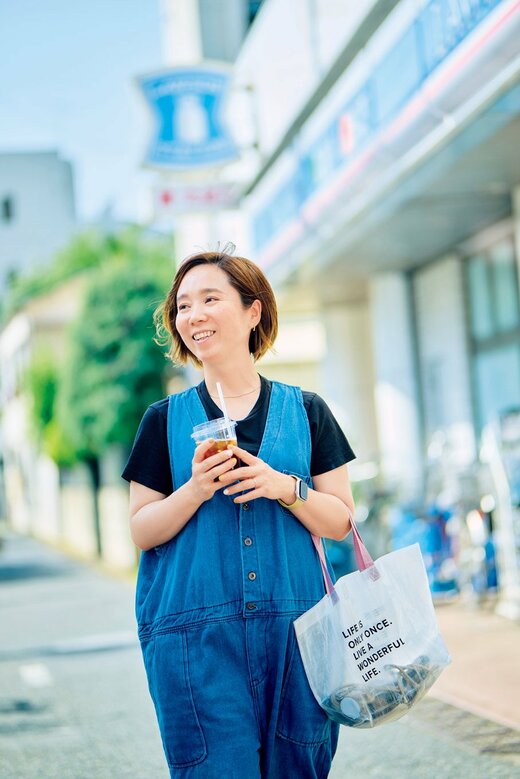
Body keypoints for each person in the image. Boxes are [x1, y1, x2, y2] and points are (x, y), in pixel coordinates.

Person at [122, 249, 356, 778]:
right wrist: (195, 490)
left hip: (300, 635)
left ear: (254, 312)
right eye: (183, 306)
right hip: (197, 643)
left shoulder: (307, 410)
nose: (194, 315)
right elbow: (141, 529)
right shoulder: (163, 421)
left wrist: (283, 487)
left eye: (210, 299)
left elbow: (342, 519)